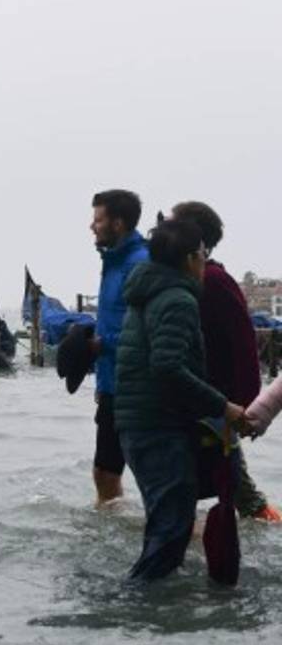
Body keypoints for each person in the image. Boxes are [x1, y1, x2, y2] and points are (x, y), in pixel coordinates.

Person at [115, 219, 247, 581]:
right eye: (203, 253)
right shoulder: (177, 299)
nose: (206, 260)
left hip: (139, 424)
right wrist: (223, 406)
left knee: (165, 525)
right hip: (157, 426)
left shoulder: (147, 291)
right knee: (171, 532)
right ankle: (135, 602)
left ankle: (145, 598)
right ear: (190, 258)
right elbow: (168, 367)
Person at [170, 201, 280, 521]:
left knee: (230, 487)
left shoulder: (215, 280)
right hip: (199, 403)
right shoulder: (183, 280)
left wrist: (245, 405)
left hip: (215, 404)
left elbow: (244, 345)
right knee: (226, 485)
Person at [88, 190, 150, 504]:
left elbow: (144, 331)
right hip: (112, 383)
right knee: (105, 472)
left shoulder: (138, 264)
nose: (91, 226)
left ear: (118, 223)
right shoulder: (112, 261)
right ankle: (111, 529)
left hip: (135, 387)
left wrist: (101, 345)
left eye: (98, 220)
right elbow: (113, 321)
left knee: (148, 474)